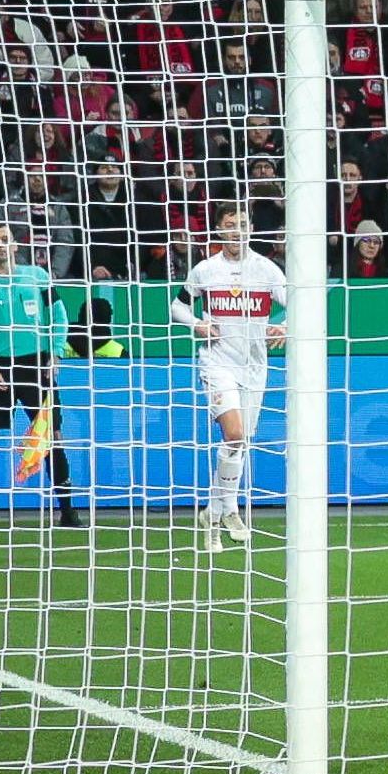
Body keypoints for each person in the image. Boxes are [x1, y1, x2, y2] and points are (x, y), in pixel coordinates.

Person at [0, 221, 83, 530]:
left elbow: (58, 315)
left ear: (15, 246)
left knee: (51, 438)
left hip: (37, 364)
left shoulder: (37, 277)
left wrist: (56, 351)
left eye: (4, 239)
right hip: (1, 370)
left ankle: (68, 511)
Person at [167, 206, 287, 552]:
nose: (237, 231)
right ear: (219, 230)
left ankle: (212, 512)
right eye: (230, 225)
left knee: (240, 441)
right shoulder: (206, 269)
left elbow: (300, 302)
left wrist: (285, 325)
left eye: (243, 224)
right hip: (217, 361)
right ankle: (232, 509)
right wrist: (197, 323)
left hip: (253, 366)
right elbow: (177, 307)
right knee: (233, 433)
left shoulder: (266, 270)